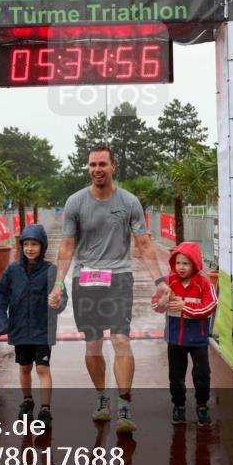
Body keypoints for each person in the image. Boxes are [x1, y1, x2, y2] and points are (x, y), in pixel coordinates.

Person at [49, 144, 171, 434]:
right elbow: (66, 246)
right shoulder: (76, 202)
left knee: (120, 340)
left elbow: (143, 244)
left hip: (118, 279)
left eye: (102, 164)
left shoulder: (129, 202)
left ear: (113, 166)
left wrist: (159, 281)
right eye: (92, 165)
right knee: (92, 343)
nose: (97, 170)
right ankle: (102, 398)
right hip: (85, 280)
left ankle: (125, 404)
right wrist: (58, 283)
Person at [0, 224, 68, 429]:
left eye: (34, 244)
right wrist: (2, 322)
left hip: (42, 328)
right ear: (21, 246)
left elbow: (62, 296)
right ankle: (27, 401)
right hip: (19, 329)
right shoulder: (12, 270)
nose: (30, 248)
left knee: (43, 368)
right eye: (26, 244)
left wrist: (57, 302)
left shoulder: (51, 270)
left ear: (42, 247)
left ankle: (45, 409)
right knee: (24, 367)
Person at [152, 242, 218, 427]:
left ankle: (202, 405)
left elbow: (210, 306)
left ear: (195, 264)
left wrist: (185, 307)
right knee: (176, 376)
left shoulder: (204, 283)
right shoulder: (169, 282)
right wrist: (163, 301)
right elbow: (155, 305)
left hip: (198, 340)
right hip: (175, 340)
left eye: (186, 263)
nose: (181, 267)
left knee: (202, 374)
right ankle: (179, 406)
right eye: (178, 263)